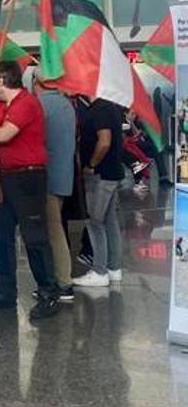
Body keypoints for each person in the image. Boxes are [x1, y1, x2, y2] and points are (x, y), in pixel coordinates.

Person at [0, 62, 60, 320]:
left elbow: (2, 135)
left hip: (28, 176)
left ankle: (48, 292)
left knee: (34, 236)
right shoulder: (2, 106)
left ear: (1, 81)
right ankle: (6, 291)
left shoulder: (26, 103)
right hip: (5, 176)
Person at [72, 97, 126, 288]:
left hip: (101, 175)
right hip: (111, 173)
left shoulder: (101, 109)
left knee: (94, 222)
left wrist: (91, 164)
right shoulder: (109, 107)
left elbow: (104, 142)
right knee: (109, 220)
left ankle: (100, 270)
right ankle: (114, 268)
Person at [34, 73, 76, 301]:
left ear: (35, 82)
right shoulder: (66, 105)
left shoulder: (39, 106)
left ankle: (63, 282)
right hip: (64, 176)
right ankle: (59, 279)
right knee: (55, 228)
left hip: (46, 177)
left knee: (53, 230)